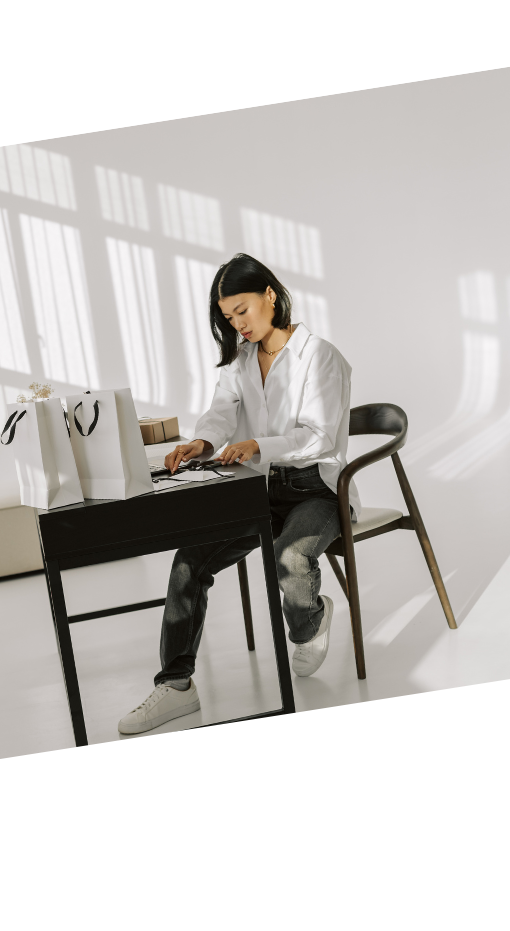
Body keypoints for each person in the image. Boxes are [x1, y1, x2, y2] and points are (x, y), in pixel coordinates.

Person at [118, 253, 359, 735]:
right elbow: (221, 410)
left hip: (316, 489)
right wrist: (202, 442)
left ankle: (309, 620)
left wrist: (257, 445)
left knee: (289, 558)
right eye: (228, 318)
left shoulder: (320, 356)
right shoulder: (241, 360)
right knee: (190, 558)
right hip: (256, 489)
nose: (238, 325)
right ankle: (176, 686)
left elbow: (321, 437)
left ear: (271, 295)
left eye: (242, 310)